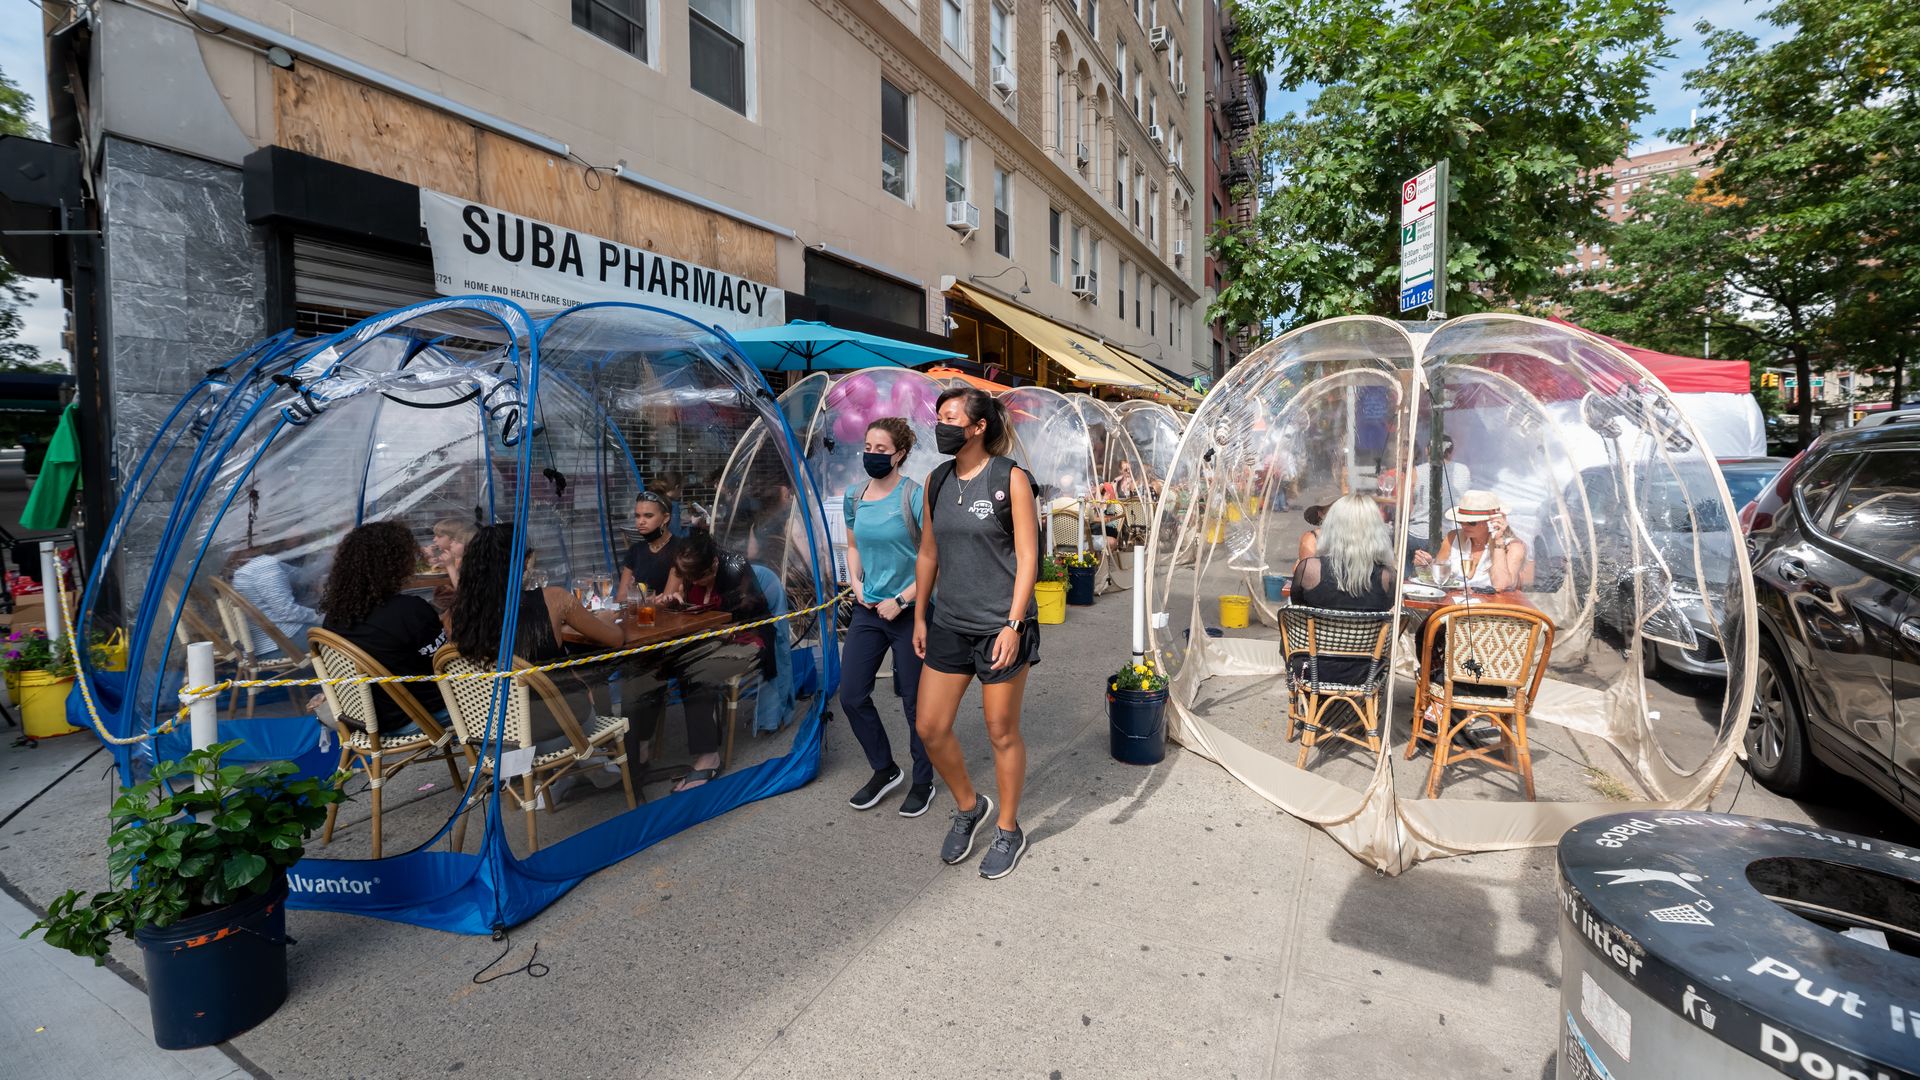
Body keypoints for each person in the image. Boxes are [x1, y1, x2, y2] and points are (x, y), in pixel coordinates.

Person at [913, 386, 1041, 880]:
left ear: (978, 426)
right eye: (938, 416)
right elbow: (929, 553)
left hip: (999, 627)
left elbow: (1029, 557)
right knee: (930, 727)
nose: (940, 425)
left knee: (1000, 731)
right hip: (949, 622)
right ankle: (970, 805)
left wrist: (1014, 623)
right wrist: (921, 614)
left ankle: (1009, 829)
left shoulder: (1010, 479)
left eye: (950, 417)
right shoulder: (936, 480)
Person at [841, 418, 934, 816]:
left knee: (915, 703)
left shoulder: (913, 496)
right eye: (868, 447)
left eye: (881, 449)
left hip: (910, 612)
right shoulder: (855, 495)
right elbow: (852, 545)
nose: (872, 455)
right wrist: (856, 584)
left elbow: (935, 558)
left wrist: (902, 599)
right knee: (850, 694)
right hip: (868, 610)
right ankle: (885, 769)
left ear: (900, 454)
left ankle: (923, 779)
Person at [654, 531, 773, 791]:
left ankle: (709, 755)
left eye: (699, 577)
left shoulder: (735, 567)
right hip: (706, 642)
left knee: (695, 671)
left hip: (747, 642)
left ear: (714, 564)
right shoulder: (688, 572)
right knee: (654, 665)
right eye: (690, 578)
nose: (694, 581)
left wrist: (717, 616)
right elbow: (686, 611)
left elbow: (752, 609)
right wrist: (673, 603)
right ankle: (639, 753)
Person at [318, 521, 448, 733]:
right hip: (416, 715)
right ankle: (497, 764)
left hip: (361, 718)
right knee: (505, 692)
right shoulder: (409, 610)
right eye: (410, 555)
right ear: (396, 563)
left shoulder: (334, 618)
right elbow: (444, 665)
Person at [1288, 495, 1397, 687]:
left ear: (1331, 525)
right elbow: (1387, 608)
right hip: (1367, 671)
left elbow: (1297, 607)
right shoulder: (1387, 576)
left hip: (1314, 667)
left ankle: (1309, 702)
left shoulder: (1310, 570)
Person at [1412, 489, 1529, 592]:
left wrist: (1498, 540)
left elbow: (1500, 585)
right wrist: (1426, 565)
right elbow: (1439, 580)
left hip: (1491, 612)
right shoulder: (1453, 538)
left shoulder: (1513, 547)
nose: (1464, 526)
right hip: (1452, 607)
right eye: (1461, 521)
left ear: (1491, 521)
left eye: (1472, 522)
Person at [230, 543, 323, 658]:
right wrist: (324, 617)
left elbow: (299, 575)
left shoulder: (250, 567)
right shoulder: (264, 566)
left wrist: (322, 569)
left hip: (265, 641)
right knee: (342, 632)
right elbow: (288, 612)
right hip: (280, 642)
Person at [1406, 436, 1470, 569]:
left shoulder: (1417, 471)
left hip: (1417, 533)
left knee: (1410, 576)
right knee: (1440, 575)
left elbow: (1406, 505)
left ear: (1426, 451)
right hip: (1450, 536)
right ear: (1451, 452)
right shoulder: (1464, 470)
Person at [617, 492, 681, 601]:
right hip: (638, 615)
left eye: (648, 516)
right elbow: (620, 599)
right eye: (637, 516)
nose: (641, 522)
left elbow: (666, 601)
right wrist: (645, 602)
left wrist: (636, 600)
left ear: (665, 518)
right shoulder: (635, 550)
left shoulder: (679, 550)